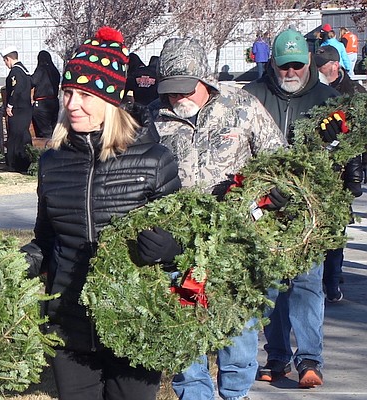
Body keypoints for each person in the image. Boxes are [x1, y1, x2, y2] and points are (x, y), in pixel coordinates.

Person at [20, 26, 182, 400]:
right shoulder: (52, 162)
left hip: (134, 323)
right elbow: (47, 240)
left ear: (110, 100)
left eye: (84, 95)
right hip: (68, 324)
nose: (72, 104)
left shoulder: (155, 160)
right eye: (68, 93)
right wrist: (11, 265)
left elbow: (187, 242)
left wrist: (170, 248)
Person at [150, 36, 286, 400]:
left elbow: (277, 159)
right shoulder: (152, 118)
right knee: (184, 331)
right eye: (169, 90)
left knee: (237, 332)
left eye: (184, 89)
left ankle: (236, 392)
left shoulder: (242, 107)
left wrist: (271, 194)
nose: (176, 98)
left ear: (204, 79)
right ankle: (194, 395)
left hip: (235, 240)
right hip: (177, 242)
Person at [244, 28, 340, 389]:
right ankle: (278, 356)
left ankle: (310, 360)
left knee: (306, 283)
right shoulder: (252, 97)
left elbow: (345, 152)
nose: (290, 72)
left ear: (309, 63)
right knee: (269, 284)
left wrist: (333, 146)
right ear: (273, 65)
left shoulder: (328, 100)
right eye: (284, 66)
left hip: (309, 210)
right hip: (265, 207)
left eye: (297, 65)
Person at [314, 45, 365, 302]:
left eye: (322, 66)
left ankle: (332, 280)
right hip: (317, 171)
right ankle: (325, 276)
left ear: (334, 65)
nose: (318, 70)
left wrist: (356, 177)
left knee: (335, 230)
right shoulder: (316, 92)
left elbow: (357, 143)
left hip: (342, 172)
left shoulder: (354, 92)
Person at [1, 46, 32, 173]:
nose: (5, 64)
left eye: (5, 61)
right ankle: (26, 160)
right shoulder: (24, 70)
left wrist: (10, 104)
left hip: (18, 108)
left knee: (15, 136)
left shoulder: (15, 72)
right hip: (26, 108)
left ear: (8, 59)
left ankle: (15, 163)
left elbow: (16, 89)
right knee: (23, 135)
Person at [31, 50, 60, 138]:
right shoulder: (55, 71)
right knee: (54, 128)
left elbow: (32, 82)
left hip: (42, 103)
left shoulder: (41, 70)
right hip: (54, 101)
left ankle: (46, 148)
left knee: (44, 131)